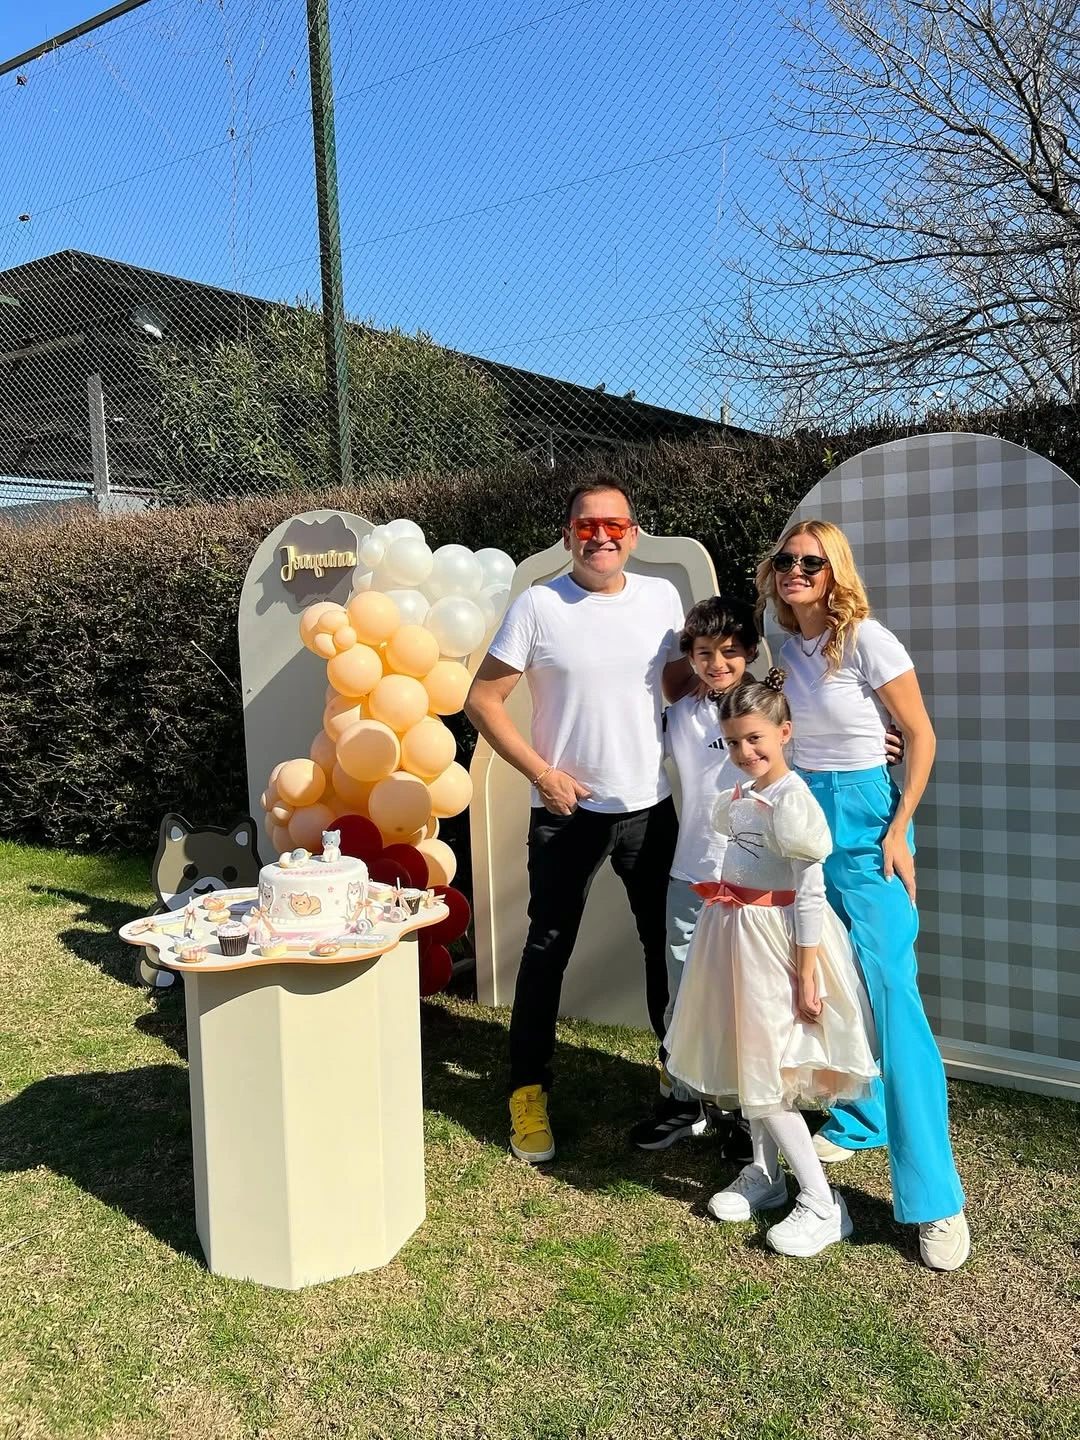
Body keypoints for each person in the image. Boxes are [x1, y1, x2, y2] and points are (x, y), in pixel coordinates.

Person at [757, 519, 970, 1271]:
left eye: (811, 563)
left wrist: (898, 830)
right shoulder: (787, 653)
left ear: (834, 572)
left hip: (867, 829)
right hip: (805, 825)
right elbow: (781, 734)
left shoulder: (869, 641)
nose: (796, 571)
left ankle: (936, 1200)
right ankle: (861, 1116)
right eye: (786, 560)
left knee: (894, 1002)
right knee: (826, 986)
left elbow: (920, 734)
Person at [465, 480, 687, 1163]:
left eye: (614, 524)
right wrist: (542, 774)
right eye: (587, 526)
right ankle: (527, 1092)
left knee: (667, 950)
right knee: (546, 950)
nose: (601, 537)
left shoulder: (662, 599)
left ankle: (679, 1086)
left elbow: (679, 685)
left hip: (648, 808)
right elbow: (482, 699)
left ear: (634, 533)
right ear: (568, 535)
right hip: (566, 814)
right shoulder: (538, 605)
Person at [664, 672, 879, 1257]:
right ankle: (765, 1173)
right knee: (745, 1055)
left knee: (771, 1070)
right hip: (730, 937)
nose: (745, 752)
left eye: (756, 738)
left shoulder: (794, 803)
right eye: (733, 742)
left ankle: (822, 1201)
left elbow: (809, 894)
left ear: (784, 733)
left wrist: (806, 970)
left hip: (776, 946)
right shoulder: (734, 801)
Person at [628, 596, 759, 1160]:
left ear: (749, 653)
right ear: (690, 656)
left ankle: (748, 1113)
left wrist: (879, 742)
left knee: (749, 1000)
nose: (718, 663)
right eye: (705, 653)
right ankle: (684, 1102)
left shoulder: (771, 711)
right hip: (690, 876)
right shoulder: (678, 715)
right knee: (682, 997)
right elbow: (628, 753)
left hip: (755, 882)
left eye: (730, 652)